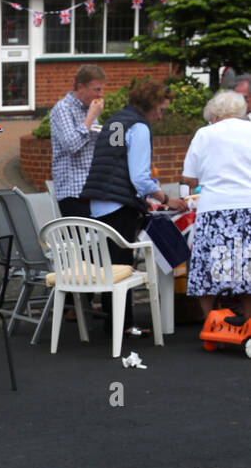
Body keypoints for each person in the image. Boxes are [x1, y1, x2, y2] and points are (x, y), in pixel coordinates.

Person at [80, 77, 184, 334]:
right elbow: (139, 175)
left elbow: (116, 163)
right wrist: (165, 198)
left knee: (109, 265)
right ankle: (122, 326)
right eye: (161, 110)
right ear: (151, 104)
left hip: (99, 200)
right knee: (123, 265)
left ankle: (112, 323)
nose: (160, 116)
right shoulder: (139, 127)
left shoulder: (116, 120)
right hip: (119, 205)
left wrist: (139, 193)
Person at [183, 89, 251, 322]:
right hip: (247, 206)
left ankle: (212, 322)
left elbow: (189, 178)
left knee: (208, 270)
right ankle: (249, 324)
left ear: (216, 114)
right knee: (247, 270)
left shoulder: (204, 134)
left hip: (213, 209)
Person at [49, 64, 106, 216]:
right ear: (81, 87)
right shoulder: (63, 108)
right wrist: (90, 118)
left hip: (91, 188)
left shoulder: (89, 109)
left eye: (102, 89)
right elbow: (71, 145)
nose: (101, 95)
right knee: (80, 239)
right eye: (96, 90)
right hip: (72, 191)